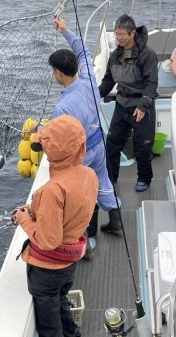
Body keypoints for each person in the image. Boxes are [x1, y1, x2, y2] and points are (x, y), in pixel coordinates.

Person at [31, 16, 123, 245]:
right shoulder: (89, 78)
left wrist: (37, 128)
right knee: (103, 181)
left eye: (54, 70)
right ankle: (116, 221)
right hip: (99, 143)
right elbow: (82, 51)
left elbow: (57, 138)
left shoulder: (62, 108)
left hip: (80, 153)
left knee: (81, 193)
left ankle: (86, 238)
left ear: (58, 73)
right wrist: (65, 30)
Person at [14, 114, 98, 337]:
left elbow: (47, 240)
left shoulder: (51, 191)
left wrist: (25, 220)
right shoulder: (89, 175)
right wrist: (35, 211)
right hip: (69, 266)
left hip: (47, 271)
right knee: (61, 301)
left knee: (50, 326)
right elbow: (72, 210)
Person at [98, 14, 158, 192]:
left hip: (141, 106)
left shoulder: (147, 55)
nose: (118, 38)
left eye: (122, 34)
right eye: (116, 34)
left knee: (143, 146)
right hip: (121, 104)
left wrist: (143, 106)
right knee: (112, 143)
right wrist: (93, 95)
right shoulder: (115, 55)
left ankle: (144, 179)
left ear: (132, 33)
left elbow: (152, 83)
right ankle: (110, 177)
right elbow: (109, 81)